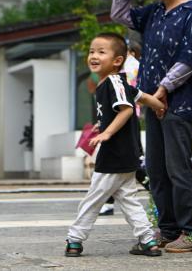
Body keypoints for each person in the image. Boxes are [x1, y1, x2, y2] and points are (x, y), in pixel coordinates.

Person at [110, 0, 192, 253]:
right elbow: (119, 14)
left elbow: (190, 59)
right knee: (155, 167)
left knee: (178, 167)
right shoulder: (153, 12)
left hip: (180, 103)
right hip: (152, 103)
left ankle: (191, 230)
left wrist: (163, 90)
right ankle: (167, 228)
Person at [65, 32, 165, 258]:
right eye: (92, 51)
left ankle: (75, 240)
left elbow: (127, 109)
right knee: (129, 201)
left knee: (93, 199)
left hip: (114, 155)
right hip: (126, 156)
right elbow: (142, 97)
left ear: (117, 61)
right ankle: (148, 240)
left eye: (101, 52)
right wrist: (159, 106)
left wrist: (107, 133)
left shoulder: (114, 81)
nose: (94, 55)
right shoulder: (108, 85)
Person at [100, 40, 147, 217]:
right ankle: (108, 202)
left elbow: (130, 95)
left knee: (131, 161)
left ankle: (154, 190)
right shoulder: (123, 67)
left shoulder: (130, 67)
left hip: (125, 117)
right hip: (123, 116)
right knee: (125, 162)